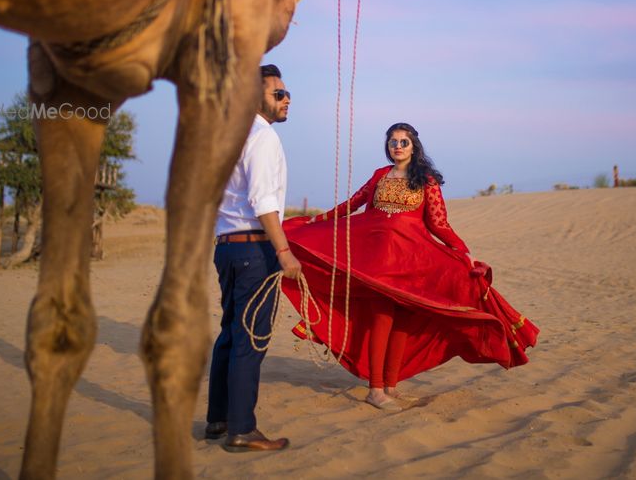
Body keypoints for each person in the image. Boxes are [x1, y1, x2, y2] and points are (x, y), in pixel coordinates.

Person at [282, 122, 538, 410]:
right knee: (382, 318)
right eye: (393, 141)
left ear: (414, 146)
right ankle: (375, 390)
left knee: (402, 321)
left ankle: (390, 386)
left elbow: (439, 224)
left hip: (410, 262)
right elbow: (351, 205)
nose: (398, 146)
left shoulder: (426, 180)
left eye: (404, 141)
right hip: (376, 262)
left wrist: (462, 252)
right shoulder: (380, 175)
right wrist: (313, 223)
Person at [205, 64, 301, 451]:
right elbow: (264, 202)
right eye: (278, 93)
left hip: (227, 247)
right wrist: (283, 252)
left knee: (230, 334)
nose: (286, 98)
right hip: (252, 250)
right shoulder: (262, 139)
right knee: (250, 339)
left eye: (286, 92)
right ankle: (241, 429)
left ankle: (219, 419)